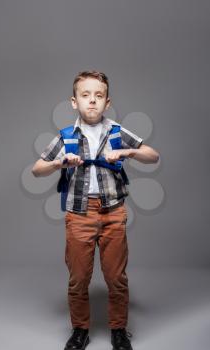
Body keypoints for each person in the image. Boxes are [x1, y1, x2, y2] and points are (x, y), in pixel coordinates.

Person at [32, 70, 159, 350]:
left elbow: (153, 156)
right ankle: (80, 330)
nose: (92, 101)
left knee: (116, 277)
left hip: (113, 213)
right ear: (74, 102)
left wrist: (128, 153)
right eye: (85, 95)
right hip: (79, 215)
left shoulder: (116, 132)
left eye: (98, 96)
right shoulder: (67, 136)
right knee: (78, 278)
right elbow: (36, 169)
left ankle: (118, 330)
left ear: (108, 102)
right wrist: (59, 164)